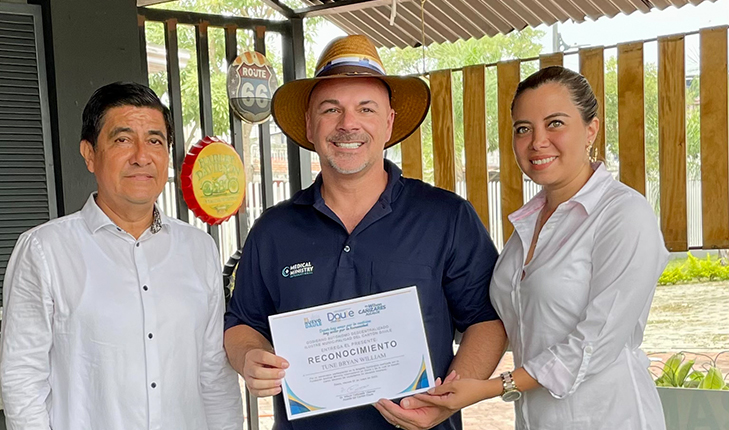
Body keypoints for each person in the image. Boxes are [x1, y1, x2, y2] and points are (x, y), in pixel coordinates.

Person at [223, 35, 507, 430]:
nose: (348, 124)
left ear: (389, 123)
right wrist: (249, 358)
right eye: (331, 109)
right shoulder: (274, 230)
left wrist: (450, 397)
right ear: (309, 124)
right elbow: (242, 323)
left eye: (365, 108)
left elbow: (487, 319)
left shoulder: (446, 217)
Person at [412, 66, 668, 430]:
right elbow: (503, 318)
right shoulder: (527, 226)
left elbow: (593, 344)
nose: (537, 141)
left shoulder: (624, 214)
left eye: (556, 123)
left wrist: (492, 387)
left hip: (609, 417)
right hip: (536, 420)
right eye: (523, 129)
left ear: (591, 129)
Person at [0, 82, 244, 430]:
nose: (142, 156)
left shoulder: (198, 248)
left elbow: (213, 373)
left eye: (155, 141)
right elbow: (23, 379)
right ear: (89, 154)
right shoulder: (44, 251)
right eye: (122, 139)